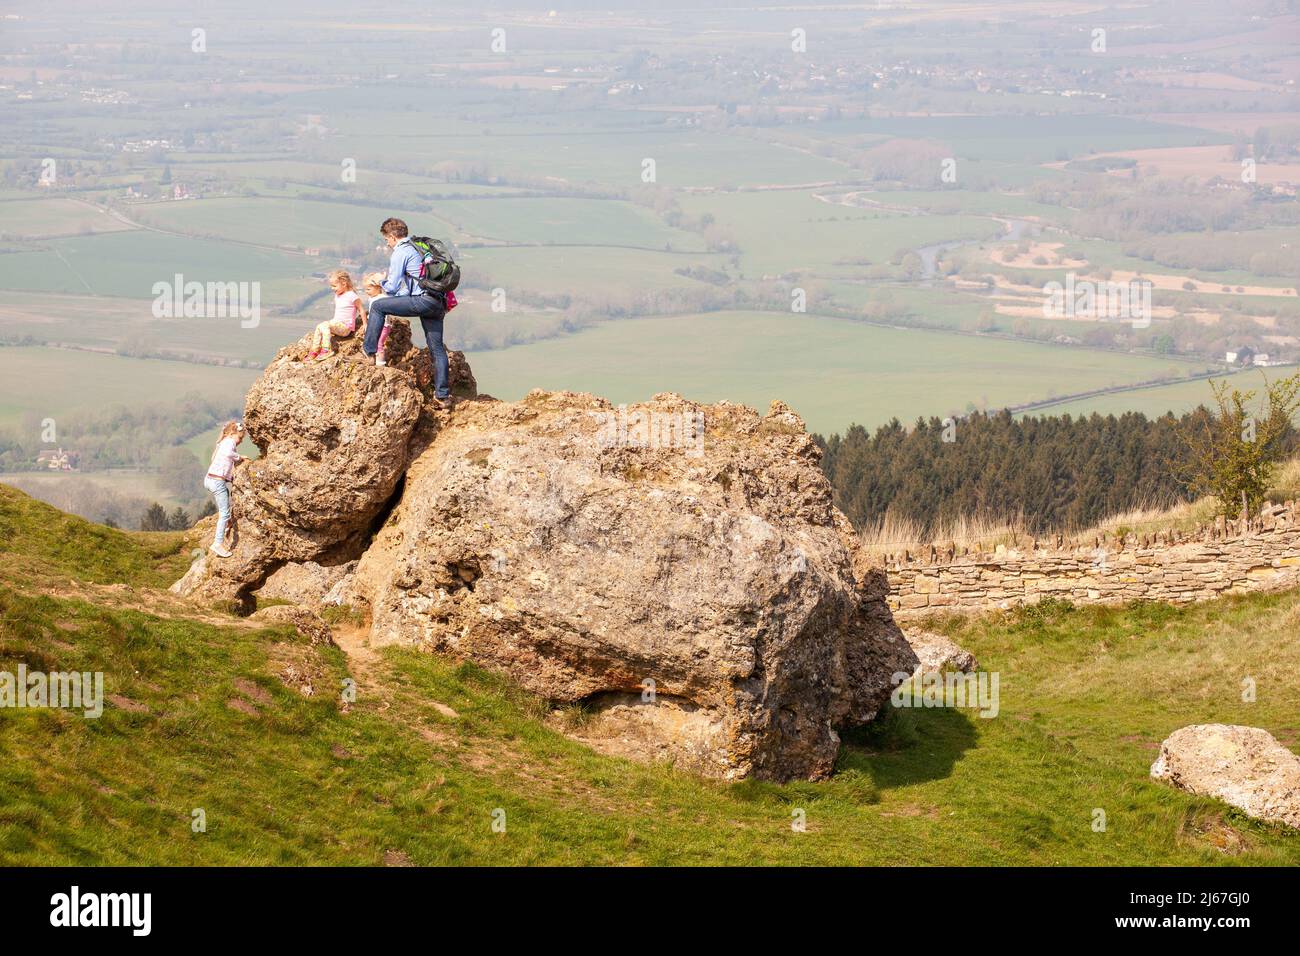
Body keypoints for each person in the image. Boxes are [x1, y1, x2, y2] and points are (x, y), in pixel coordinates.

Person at [363, 217, 451, 406]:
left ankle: (369, 352)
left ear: (393, 237)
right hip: (437, 303)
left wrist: (379, 280)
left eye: (386, 239)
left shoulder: (400, 252)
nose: (387, 243)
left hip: (422, 301)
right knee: (437, 348)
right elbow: (407, 289)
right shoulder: (419, 248)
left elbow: (393, 287)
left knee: (378, 306)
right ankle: (442, 397)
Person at [204, 421, 246, 558]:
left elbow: (216, 460)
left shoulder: (221, 443)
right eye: (240, 438)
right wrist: (239, 457)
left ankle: (227, 524)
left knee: (225, 499)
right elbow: (229, 454)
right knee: (224, 513)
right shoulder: (229, 443)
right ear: (232, 434)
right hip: (217, 481)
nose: (240, 441)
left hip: (210, 479)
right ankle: (217, 543)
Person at [307, 270, 365, 362]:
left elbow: (361, 309)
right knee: (319, 326)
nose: (332, 288)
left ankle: (326, 350)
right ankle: (315, 351)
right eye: (331, 286)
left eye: (334, 286)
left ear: (344, 284)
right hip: (337, 323)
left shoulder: (352, 295)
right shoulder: (338, 295)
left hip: (345, 327)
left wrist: (365, 324)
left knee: (325, 325)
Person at [362, 270, 393, 366]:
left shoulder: (382, 298)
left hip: (383, 326)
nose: (366, 292)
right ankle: (374, 360)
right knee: (376, 343)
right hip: (377, 325)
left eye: (368, 289)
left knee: (379, 344)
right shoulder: (372, 298)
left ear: (378, 287)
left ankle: (381, 364)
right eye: (365, 289)